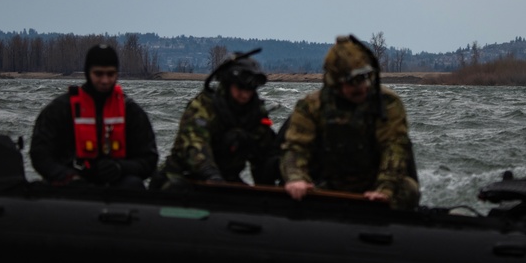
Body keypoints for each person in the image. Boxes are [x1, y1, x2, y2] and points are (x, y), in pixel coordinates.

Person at [280, 35, 420, 210]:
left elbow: (395, 147)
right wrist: (296, 178)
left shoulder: (387, 103)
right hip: (326, 184)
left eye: (365, 77)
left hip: (374, 184)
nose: (362, 87)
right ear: (336, 83)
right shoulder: (312, 107)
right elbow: (295, 148)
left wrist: (385, 189)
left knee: (409, 190)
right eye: (353, 82)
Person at [30, 44, 158, 189]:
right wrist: (67, 176)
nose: (105, 81)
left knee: (133, 185)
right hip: (70, 184)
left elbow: (149, 159)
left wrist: (121, 167)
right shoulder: (60, 109)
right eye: (98, 74)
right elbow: (39, 154)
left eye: (110, 74)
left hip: (116, 183)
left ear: (117, 74)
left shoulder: (131, 112)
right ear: (87, 72)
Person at [155, 49, 279, 190]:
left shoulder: (255, 113)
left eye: (249, 90)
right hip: (184, 176)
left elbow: (265, 152)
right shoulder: (203, 107)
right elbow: (196, 144)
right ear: (228, 84)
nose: (245, 95)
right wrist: (211, 174)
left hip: (227, 179)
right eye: (240, 88)